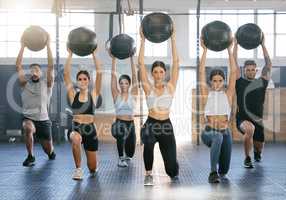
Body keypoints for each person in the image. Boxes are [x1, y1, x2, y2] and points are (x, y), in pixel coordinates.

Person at [138, 28, 179, 186]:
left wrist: (173, 39)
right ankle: (148, 174)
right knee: (148, 143)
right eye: (155, 72)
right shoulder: (148, 88)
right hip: (151, 123)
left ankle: (173, 170)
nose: (158, 74)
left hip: (166, 125)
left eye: (161, 71)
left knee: (172, 169)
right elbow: (140, 63)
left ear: (165, 73)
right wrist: (143, 40)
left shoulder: (171, 87)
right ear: (152, 74)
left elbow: (176, 63)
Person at [200, 36, 236, 183]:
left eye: (220, 80)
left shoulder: (227, 95)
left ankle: (220, 171)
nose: (217, 83)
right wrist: (205, 51)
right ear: (210, 81)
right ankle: (212, 172)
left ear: (224, 81)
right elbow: (201, 71)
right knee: (218, 137)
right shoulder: (206, 94)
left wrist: (229, 50)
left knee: (225, 171)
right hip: (209, 132)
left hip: (225, 131)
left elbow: (233, 72)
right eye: (214, 80)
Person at [16, 33, 56, 167]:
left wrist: (48, 46)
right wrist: (22, 46)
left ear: (41, 73)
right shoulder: (24, 84)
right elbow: (18, 66)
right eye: (32, 69)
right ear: (30, 72)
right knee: (27, 128)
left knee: (49, 151)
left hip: (44, 120)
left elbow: (51, 66)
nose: (34, 71)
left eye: (37, 69)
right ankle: (30, 156)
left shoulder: (47, 83)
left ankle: (51, 152)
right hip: (29, 118)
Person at [234, 33, 272, 168]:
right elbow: (233, 62)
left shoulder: (261, 82)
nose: (250, 71)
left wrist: (263, 45)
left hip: (258, 120)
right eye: (247, 69)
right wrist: (236, 45)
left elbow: (268, 64)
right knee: (250, 129)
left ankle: (256, 153)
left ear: (256, 70)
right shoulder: (239, 82)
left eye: (252, 69)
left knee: (259, 146)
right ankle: (247, 158)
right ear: (244, 70)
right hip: (242, 119)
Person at [63, 48, 102, 180]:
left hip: (90, 130)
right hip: (76, 127)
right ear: (77, 81)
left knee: (92, 168)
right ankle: (78, 169)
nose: (82, 81)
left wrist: (94, 54)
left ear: (89, 81)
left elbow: (100, 74)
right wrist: (70, 54)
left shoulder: (94, 95)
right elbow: (66, 74)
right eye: (79, 79)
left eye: (85, 79)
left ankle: (94, 164)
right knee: (75, 139)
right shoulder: (73, 94)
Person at [110, 53, 139, 168]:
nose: (123, 85)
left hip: (131, 124)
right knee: (121, 133)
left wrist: (131, 58)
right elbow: (113, 77)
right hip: (119, 123)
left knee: (131, 154)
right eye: (121, 83)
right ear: (119, 85)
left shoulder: (134, 94)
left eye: (126, 83)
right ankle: (120, 158)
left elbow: (134, 75)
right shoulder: (116, 94)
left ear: (129, 84)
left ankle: (126, 155)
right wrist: (114, 59)